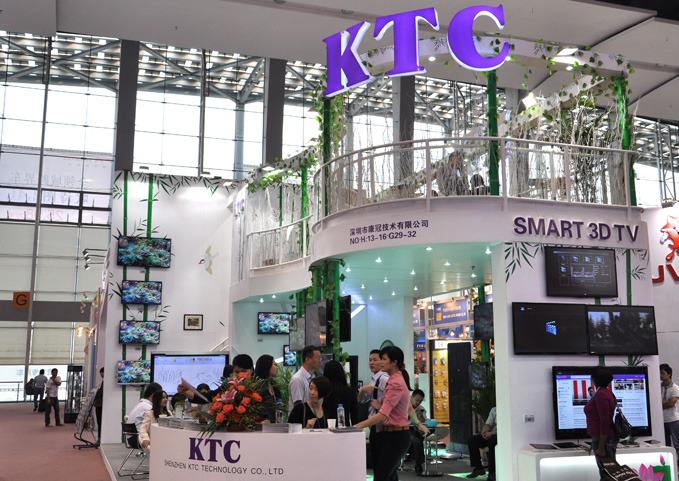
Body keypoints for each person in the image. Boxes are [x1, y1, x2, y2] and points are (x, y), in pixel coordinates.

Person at [355, 346, 413, 481]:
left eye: (383, 359)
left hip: (397, 436)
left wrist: (358, 426)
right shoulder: (393, 380)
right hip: (390, 434)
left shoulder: (395, 383)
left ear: (394, 362)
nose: (380, 362)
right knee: (387, 475)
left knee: (382, 475)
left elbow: (383, 414)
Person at [358, 349, 390, 470]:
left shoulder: (384, 379)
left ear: (382, 361)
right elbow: (362, 400)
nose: (371, 363)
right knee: (377, 462)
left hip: (382, 427)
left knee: (382, 465)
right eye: (370, 360)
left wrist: (380, 406)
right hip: (374, 427)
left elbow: (393, 402)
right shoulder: (374, 379)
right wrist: (362, 391)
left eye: (375, 360)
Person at [584, 365, 617, 479]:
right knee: (607, 473)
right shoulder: (605, 393)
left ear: (594, 379)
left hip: (604, 441)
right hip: (601, 439)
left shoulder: (601, 395)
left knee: (607, 475)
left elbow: (604, 421)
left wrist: (601, 446)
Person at [323, 359, 358, 426]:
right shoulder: (351, 392)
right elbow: (355, 417)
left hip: (326, 427)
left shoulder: (324, 392)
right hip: (345, 428)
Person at [466, 407, 497, 480]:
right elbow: (488, 424)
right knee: (472, 440)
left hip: (499, 435)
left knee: (492, 443)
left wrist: (492, 433)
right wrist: (485, 430)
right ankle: (479, 468)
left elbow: (506, 427)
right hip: (490, 433)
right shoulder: (494, 410)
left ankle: (492, 472)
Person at [288, 345, 322, 411]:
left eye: (320, 358)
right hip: (300, 417)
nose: (320, 361)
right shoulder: (298, 379)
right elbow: (298, 406)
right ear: (308, 360)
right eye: (318, 358)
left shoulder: (313, 377)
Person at [407, 389, 429, 475]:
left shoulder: (421, 409)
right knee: (417, 439)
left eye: (420, 401)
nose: (418, 402)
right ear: (412, 397)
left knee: (418, 437)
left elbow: (425, 422)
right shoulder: (404, 406)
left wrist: (420, 415)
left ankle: (418, 462)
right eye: (417, 400)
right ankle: (418, 463)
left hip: (417, 430)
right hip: (405, 429)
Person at [254, 354, 281, 422]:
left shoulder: (274, 385)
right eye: (275, 365)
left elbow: (279, 405)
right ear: (267, 366)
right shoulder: (258, 386)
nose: (277, 368)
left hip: (274, 423)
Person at [661, 363, 679, 449]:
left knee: (677, 444)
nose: (660, 375)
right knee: (665, 444)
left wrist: (660, 404)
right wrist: (665, 403)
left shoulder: (675, 388)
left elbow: (671, 403)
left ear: (669, 374)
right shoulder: (657, 387)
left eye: (662, 373)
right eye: (659, 373)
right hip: (662, 420)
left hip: (673, 420)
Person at [93, 367, 104, 445]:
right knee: (99, 422)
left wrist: (95, 393)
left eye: (102, 373)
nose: (101, 374)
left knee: (100, 422)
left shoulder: (105, 383)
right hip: (98, 404)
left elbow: (99, 392)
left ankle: (100, 439)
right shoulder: (101, 382)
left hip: (100, 405)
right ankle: (99, 438)